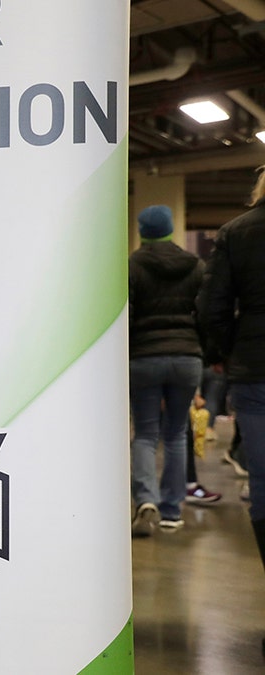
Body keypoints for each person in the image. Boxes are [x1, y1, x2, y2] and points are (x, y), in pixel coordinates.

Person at [199, 167, 265, 615]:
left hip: (256, 367)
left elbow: (212, 305)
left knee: (262, 478)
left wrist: (219, 354)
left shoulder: (236, 233)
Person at [128, 205, 204, 536]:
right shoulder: (196, 266)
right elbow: (206, 313)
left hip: (144, 358)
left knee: (145, 434)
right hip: (186, 357)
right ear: (171, 229)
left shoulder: (132, 265)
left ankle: (146, 499)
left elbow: (126, 316)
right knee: (176, 434)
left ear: (143, 231)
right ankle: (173, 510)